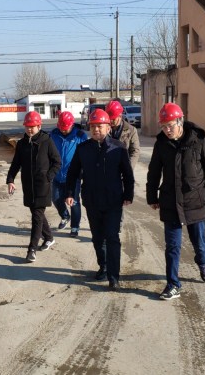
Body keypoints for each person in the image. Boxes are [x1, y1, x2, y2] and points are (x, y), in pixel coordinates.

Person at [146, 103, 205, 300]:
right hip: (170, 202)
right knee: (172, 247)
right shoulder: (161, 144)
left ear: (180, 121)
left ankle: (203, 263)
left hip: (196, 201)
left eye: (170, 125)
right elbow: (154, 172)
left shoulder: (199, 140)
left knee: (199, 244)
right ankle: (173, 284)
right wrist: (152, 196)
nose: (167, 130)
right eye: (163, 126)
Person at [66, 109, 134, 290]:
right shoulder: (83, 149)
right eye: (93, 126)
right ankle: (103, 266)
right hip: (92, 200)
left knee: (112, 237)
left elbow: (127, 174)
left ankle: (113, 276)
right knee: (97, 238)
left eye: (100, 126)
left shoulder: (118, 147)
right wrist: (70, 193)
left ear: (108, 127)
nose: (96, 130)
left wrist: (128, 194)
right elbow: (73, 173)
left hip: (113, 201)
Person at [6, 111, 61, 263]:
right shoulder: (22, 144)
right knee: (37, 213)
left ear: (39, 126)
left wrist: (48, 177)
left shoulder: (47, 141)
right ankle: (49, 237)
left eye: (33, 126)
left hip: (43, 186)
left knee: (36, 216)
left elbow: (57, 162)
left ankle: (32, 249)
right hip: (28, 186)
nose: (30, 129)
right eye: (27, 126)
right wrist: (10, 179)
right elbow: (16, 164)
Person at [49, 111, 88, 237]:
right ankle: (65, 216)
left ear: (72, 125)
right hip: (57, 174)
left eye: (66, 128)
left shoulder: (80, 136)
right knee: (55, 198)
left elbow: (85, 155)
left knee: (74, 202)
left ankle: (75, 226)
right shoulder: (53, 134)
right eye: (61, 128)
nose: (64, 131)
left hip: (73, 176)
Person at [106, 100, 140, 168]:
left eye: (113, 119)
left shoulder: (131, 130)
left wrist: (128, 168)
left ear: (120, 116)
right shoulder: (104, 129)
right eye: (109, 118)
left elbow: (135, 152)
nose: (110, 121)